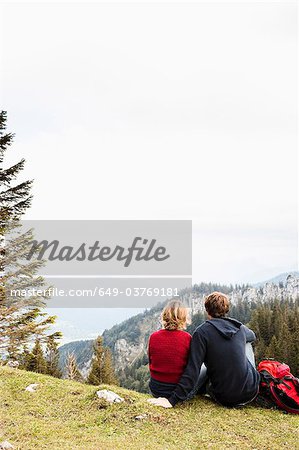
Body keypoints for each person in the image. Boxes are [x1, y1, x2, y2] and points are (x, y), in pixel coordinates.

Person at [148, 292, 260, 408]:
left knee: (202, 365)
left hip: (223, 396)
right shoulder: (239, 328)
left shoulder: (201, 332)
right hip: (250, 392)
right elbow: (252, 336)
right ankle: (249, 380)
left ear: (207, 310)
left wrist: (172, 400)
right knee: (247, 344)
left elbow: (193, 369)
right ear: (226, 309)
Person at [148, 300, 192, 399]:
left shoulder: (153, 337)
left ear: (165, 315)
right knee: (203, 369)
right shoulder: (187, 338)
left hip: (156, 389)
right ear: (184, 318)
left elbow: (151, 362)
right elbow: (190, 368)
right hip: (177, 390)